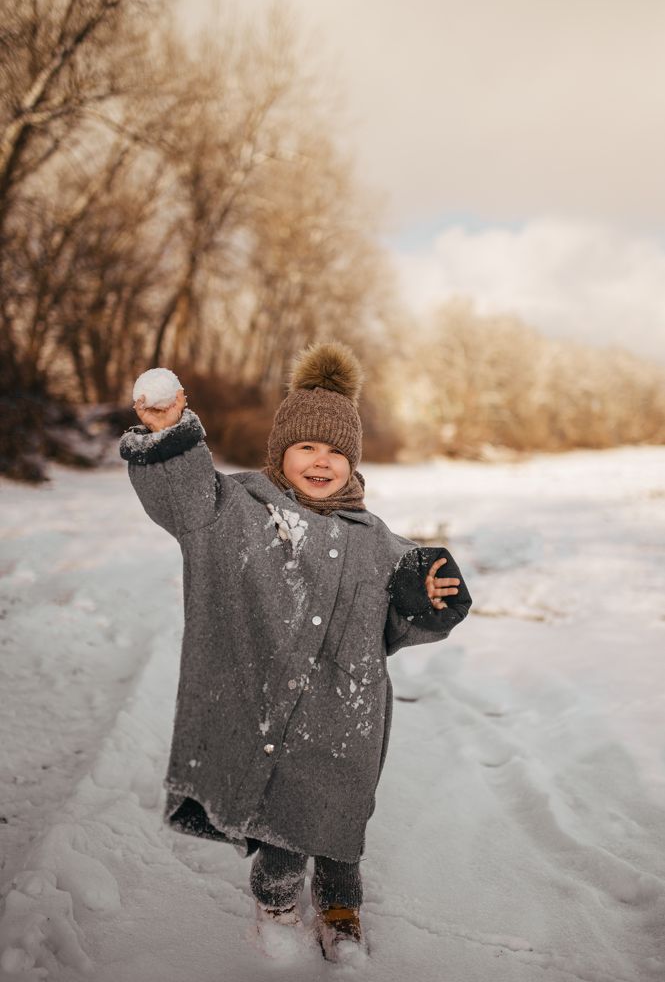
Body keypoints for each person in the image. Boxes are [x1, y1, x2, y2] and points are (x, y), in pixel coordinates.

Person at [119, 341, 471, 960]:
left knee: (341, 819)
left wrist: (429, 600)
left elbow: (398, 623)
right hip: (270, 704)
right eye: (307, 446)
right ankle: (277, 900)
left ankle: (339, 902)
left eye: (336, 451)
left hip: (347, 716)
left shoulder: (378, 540)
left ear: (353, 462)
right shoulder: (236, 510)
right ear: (281, 450)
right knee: (281, 817)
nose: (321, 460)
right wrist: (168, 431)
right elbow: (184, 499)